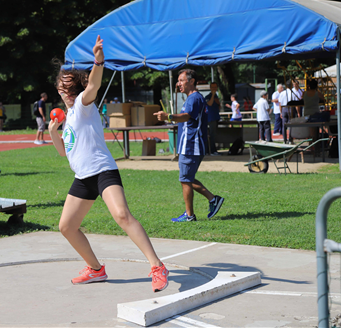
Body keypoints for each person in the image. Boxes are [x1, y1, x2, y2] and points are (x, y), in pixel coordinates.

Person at [48, 36, 169, 292]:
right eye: (61, 88)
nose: (64, 92)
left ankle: (157, 266)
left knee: (122, 215)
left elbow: (93, 84)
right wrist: (52, 131)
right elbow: (63, 153)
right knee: (67, 227)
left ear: (77, 88)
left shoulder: (83, 105)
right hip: (82, 177)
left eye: (68, 87)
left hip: (103, 170)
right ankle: (95, 269)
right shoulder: (68, 117)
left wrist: (98, 61)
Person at [154, 69, 224, 223]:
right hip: (191, 145)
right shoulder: (193, 98)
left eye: (181, 80)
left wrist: (169, 116)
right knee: (187, 178)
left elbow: (186, 116)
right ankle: (213, 200)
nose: (178, 83)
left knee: (185, 179)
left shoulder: (194, 98)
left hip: (191, 145)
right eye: (178, 80)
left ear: (191, 81)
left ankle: (190, 215)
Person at [205, 82, 221, 156]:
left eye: (215, 87)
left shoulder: (216, 96)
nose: (214, 89)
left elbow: (218, 106)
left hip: (215, 118)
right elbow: (210, 103)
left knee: (213, 135)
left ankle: (212, 150)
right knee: (211, 135)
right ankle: (211, 151)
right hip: (210, 118)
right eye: (213, 87)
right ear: (210, 88)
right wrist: (213, 95)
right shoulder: (208, 96)